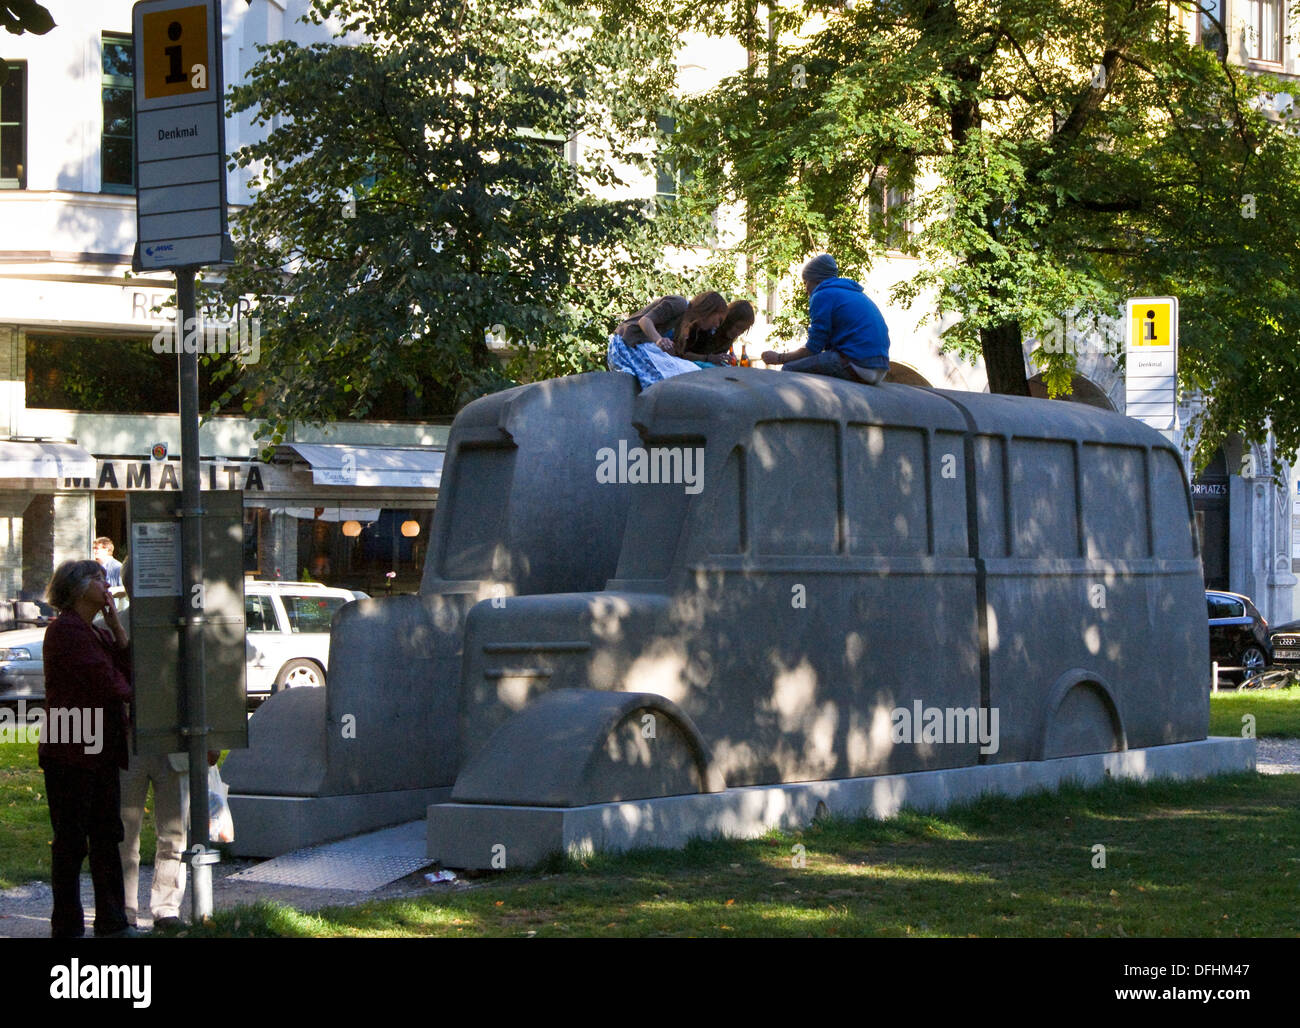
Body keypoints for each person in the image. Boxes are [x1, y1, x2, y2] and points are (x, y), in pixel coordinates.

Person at [40, 559, 133, 938]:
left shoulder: (96, 633)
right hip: (71, 748)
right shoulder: (67, 632)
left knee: (107, 834)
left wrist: (116, 628)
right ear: (77, 588)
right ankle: (67, 923)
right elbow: (109, 683)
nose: (106, 584)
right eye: (98, 578)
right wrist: (138, 698)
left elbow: (126, 669)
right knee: (72, 839)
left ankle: (111, 920)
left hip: (101, 747)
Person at [115, 555, 189, 932]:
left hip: (172, 740)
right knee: (124, 831)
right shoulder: (110, 627)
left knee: (173, 831)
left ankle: (165, 907)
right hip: (127, 742)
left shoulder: (177, 627)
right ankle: (125, 908)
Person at [761, 254, 890, 384]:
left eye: (805, 283)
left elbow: (813, 348)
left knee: (789, 368)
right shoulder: (854, 293)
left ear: (816, 280)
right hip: (880, 369)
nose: (806, 290)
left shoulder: (822, 295)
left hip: (858, 365)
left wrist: (779, 358)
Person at [608, 292, 728, 387]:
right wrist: (659, 340)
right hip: (627, 344)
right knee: (660, 383)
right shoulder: (679, 304)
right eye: (719, 320)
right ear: (710, 310)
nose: (717, 325)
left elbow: (679, 355)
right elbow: (644, 321)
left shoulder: (685, 325)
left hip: (642, 346)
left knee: (690, 371)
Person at [678, 300, 755, 364]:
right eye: (738, 327)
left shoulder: (728, 338)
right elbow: (681, 353)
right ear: (730, 320)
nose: (738, 333)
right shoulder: (706, 327)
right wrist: (707, 358)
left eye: (743, 330)